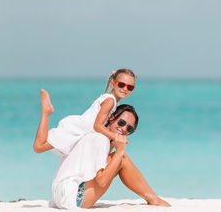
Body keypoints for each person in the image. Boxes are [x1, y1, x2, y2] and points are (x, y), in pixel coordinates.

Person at [36, 90, 170, 209]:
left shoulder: (97, 135)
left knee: (117, 158)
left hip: (61, 195)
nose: (123, 129)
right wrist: (120, 151)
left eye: (129, 128)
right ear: (111, 117)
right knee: (122, 159)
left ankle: (154, 199)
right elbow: (101, 180)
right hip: (73, 198)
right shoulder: (100, 139)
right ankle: (154, 199)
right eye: (121, 123)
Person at [33, 68, 136, 157]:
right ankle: (46, 112)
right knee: (39, 147)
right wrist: (115, 137)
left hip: (83, 131)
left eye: (130, 87)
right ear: (113, 84)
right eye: (121, 84)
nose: (125, 89)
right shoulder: (110, 101)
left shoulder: (112, 101)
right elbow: (97, 126)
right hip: (79, 130)